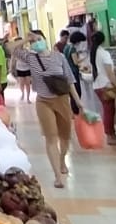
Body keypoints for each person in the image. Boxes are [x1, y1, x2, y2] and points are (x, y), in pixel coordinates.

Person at [22, 29, 83, 188]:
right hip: (43, 101)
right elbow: (10, 49)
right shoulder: (31, 58)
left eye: (38, 39)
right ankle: (57, 175)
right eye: (33, 41)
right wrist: (25, 40)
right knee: (51, 138)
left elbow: (70, 80)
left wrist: (78, 101)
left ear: (45, 39)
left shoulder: (59, 57)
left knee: (65, 136)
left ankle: (62, 159)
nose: (36, 43)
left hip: (62, 100)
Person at [90, 32, 116, 146]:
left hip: (98, 85)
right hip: (105, 85)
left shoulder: (94, 52)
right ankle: (110, 136)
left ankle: (111, 134)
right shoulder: (104, 53)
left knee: (108, 110)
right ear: (104, 40)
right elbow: (109, 73)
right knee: (109, 111)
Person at [10, 38, 33, 102]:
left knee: (28, 83)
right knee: (21, 83)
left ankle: (28, 97)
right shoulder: (15, 51)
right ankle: (23, 94)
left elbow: (30, 59)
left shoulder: (27, 51)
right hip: (19, 68)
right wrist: (11, 68)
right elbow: (12, 60)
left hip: (27, 68)